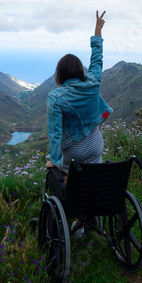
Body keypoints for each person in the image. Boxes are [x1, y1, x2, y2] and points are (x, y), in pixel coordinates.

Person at [46, 10, 113, 179]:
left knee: (60, 172)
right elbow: (97, 60)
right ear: (79, 70)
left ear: (60, 74)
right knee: (92, 176)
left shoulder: (56, 98)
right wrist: (98, 30)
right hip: (96, 145)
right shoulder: (92, 83)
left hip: (74, 152)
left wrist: (54, 160)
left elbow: (55, 132)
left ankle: (71, 201)